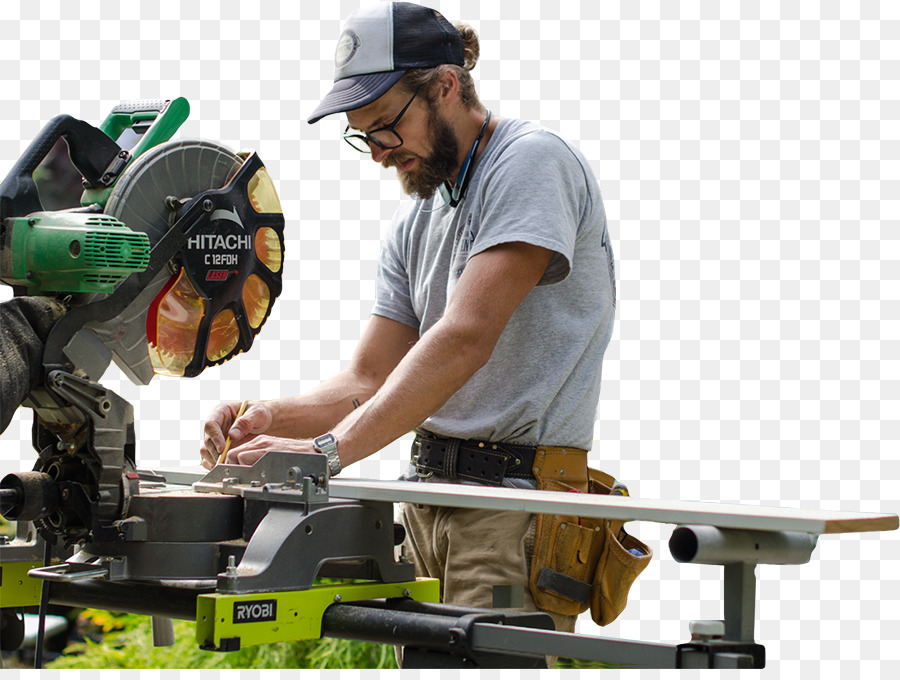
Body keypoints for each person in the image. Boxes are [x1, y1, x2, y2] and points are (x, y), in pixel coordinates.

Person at [199, 0, 616, 647]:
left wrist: (326, 453)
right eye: (363, 136)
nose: (377, 154)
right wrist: (267, 422)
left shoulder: (531, 162)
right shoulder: (419, 221)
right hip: (426, 500)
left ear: (445, 85)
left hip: (514, 506)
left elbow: (465, 337)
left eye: (386, 128)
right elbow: (370, 376)